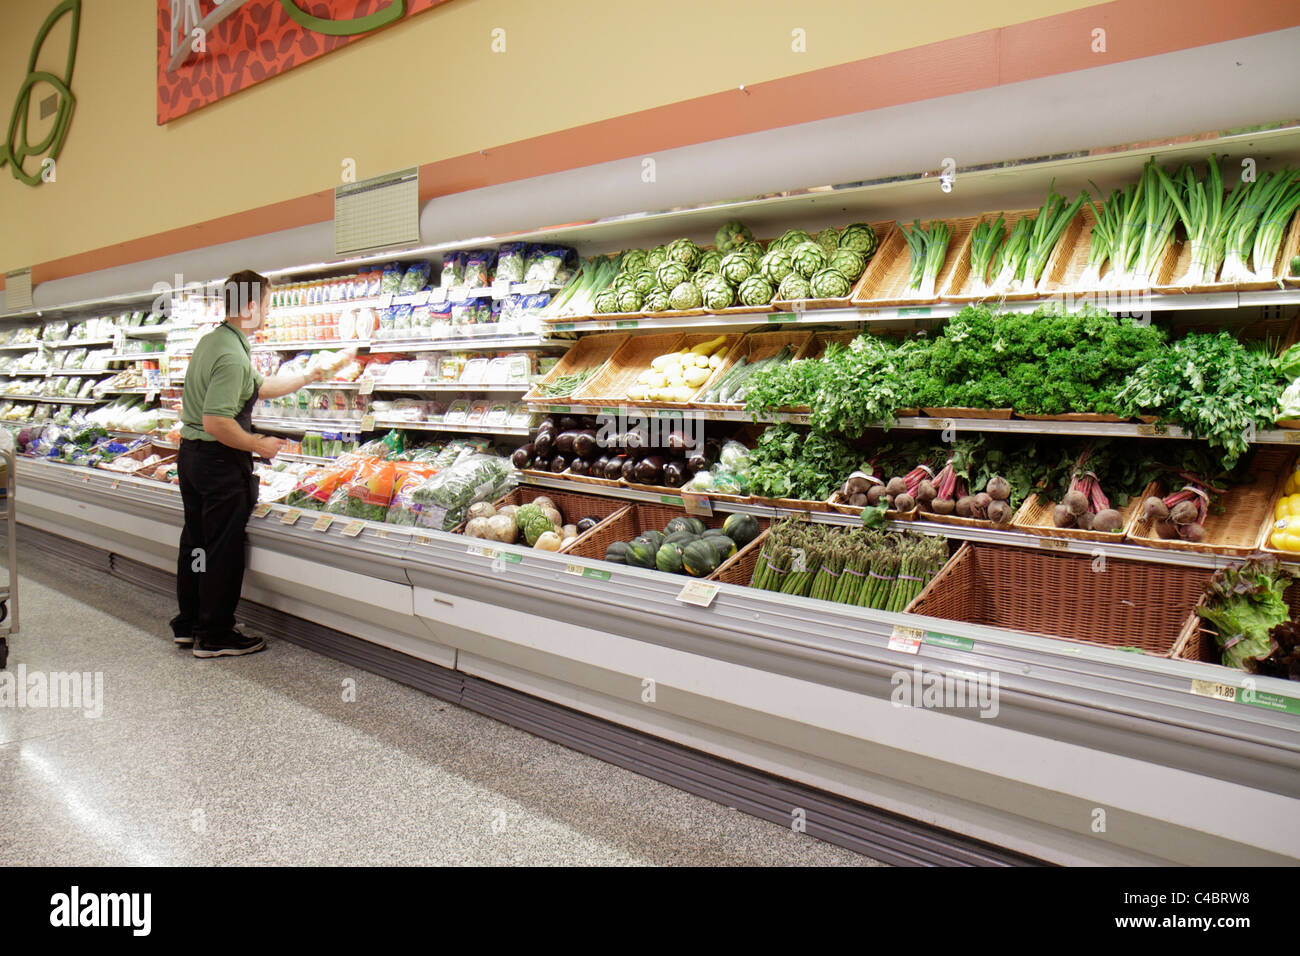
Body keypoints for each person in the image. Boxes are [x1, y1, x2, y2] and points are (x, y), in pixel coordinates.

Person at [169, 270, 346, 658]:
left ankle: (190, 623)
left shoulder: (216, 341)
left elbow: (259, 386)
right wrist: (257, 445)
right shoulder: (232, 355)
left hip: (193, 459)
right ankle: (215, 634)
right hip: (218, 462)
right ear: (250, 306)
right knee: (221, 548)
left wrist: (308, 375)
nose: (267, 311)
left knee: (196, 543)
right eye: (266, 303)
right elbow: (218, 421)